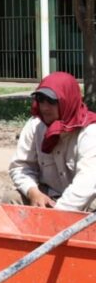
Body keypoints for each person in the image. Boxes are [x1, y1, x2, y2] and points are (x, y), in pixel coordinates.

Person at [8, 72, 96, 212]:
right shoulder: (35, 126)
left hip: (86, 202)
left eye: (51, 101)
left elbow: (87, 182)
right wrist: (33, 193)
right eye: (40, 100)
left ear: (67, 100)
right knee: (11, 198)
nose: (44, 107)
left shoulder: (89, 132)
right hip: (51, 195)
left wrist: (57, 215)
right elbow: (20, 167)